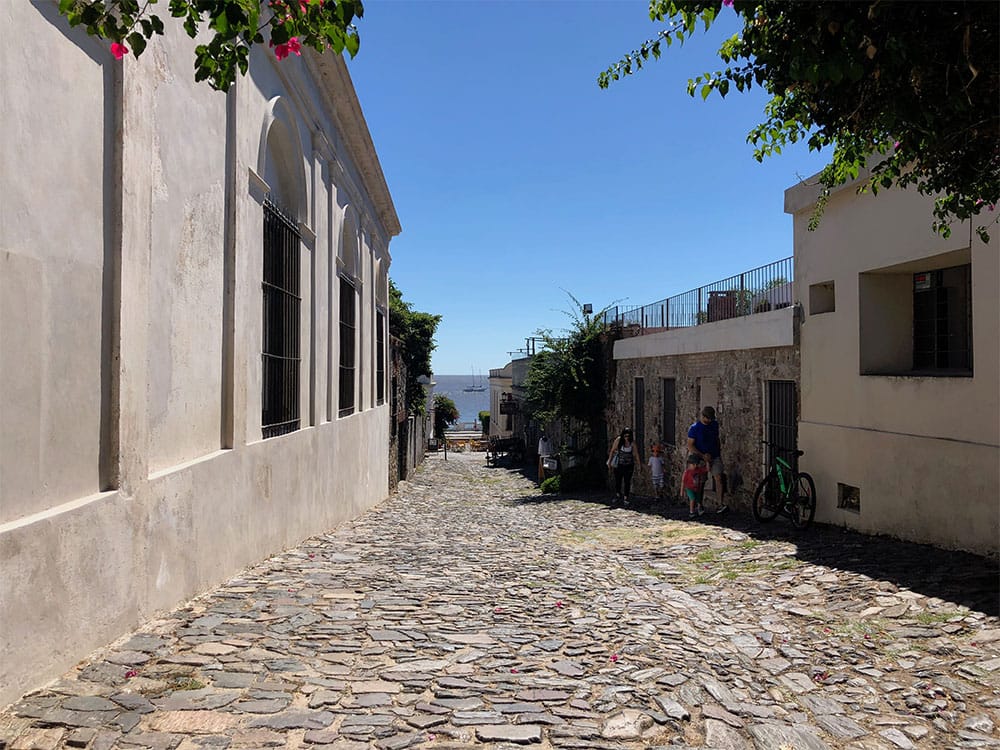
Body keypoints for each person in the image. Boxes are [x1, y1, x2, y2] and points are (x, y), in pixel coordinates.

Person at [687, 406, 728, 513]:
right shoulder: (695, 428)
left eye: (711, 418)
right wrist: (702, 455)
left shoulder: (714, 425)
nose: (710, 420)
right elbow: (690, 445)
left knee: (718, 477)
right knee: (701, 481)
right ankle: (699, 504)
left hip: (714, 456)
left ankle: (720, 503)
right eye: (708, 418)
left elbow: (716, 438)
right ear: (703, 416)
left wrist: (718, 451)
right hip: (701, 458)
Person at [606, 427, 642, 505]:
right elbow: (612, 451)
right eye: (625, 436)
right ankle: (618, 494)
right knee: (618, 480)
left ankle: (626, 497)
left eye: (628, 436)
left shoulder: (632, 443)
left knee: (627, 481)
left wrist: (639, 465)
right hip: (619, 465)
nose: (626, 438)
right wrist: (609, 461)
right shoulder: (618, 441)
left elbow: (636, 454)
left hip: (629, 465)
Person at [679, 454, 709, 519]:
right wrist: (682, 491)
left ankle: (699, 509)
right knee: (692, 499)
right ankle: (691, 512)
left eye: (696, 464)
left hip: (697, 488)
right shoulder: (687, 472)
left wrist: (707, 461)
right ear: (689, 464)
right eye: (693, 464)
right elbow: (683, 482)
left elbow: (707, 469)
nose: (695, 466)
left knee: (698, 499)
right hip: (689, 488)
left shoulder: (699, 470)